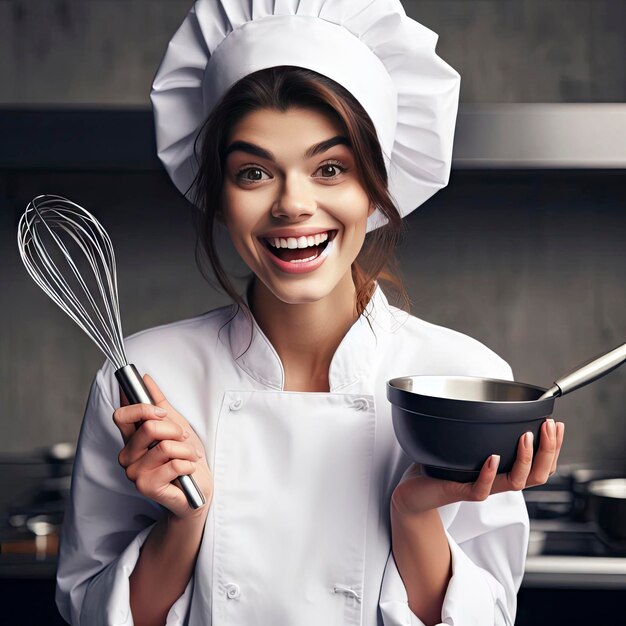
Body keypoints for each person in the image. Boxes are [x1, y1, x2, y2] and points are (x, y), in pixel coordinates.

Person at [56, 2, 565, 625]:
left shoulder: (460, 377)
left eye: (330, 168)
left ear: (375, 187)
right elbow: (89, 612)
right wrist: (185, 522)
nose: (293, 204)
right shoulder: (141, 377)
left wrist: (414, 511)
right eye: (253, 172)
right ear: (217, 195)